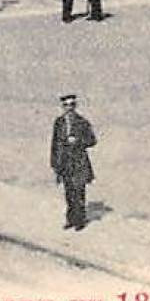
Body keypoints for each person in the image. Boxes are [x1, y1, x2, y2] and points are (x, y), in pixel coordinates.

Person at [51, 95, 98, 231]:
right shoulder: (59, 123)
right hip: (65, 163)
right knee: (69, 192)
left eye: (71, 105)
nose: (69, 108)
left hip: (79, 163)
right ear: (63, 107)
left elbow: (92, 140)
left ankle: (80, 220)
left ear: (75, 106)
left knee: (79, 191)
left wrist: (78, 141)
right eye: (66, 105)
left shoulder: (82, 122)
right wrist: (55, 164)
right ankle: (71, 219)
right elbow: (54, 144)